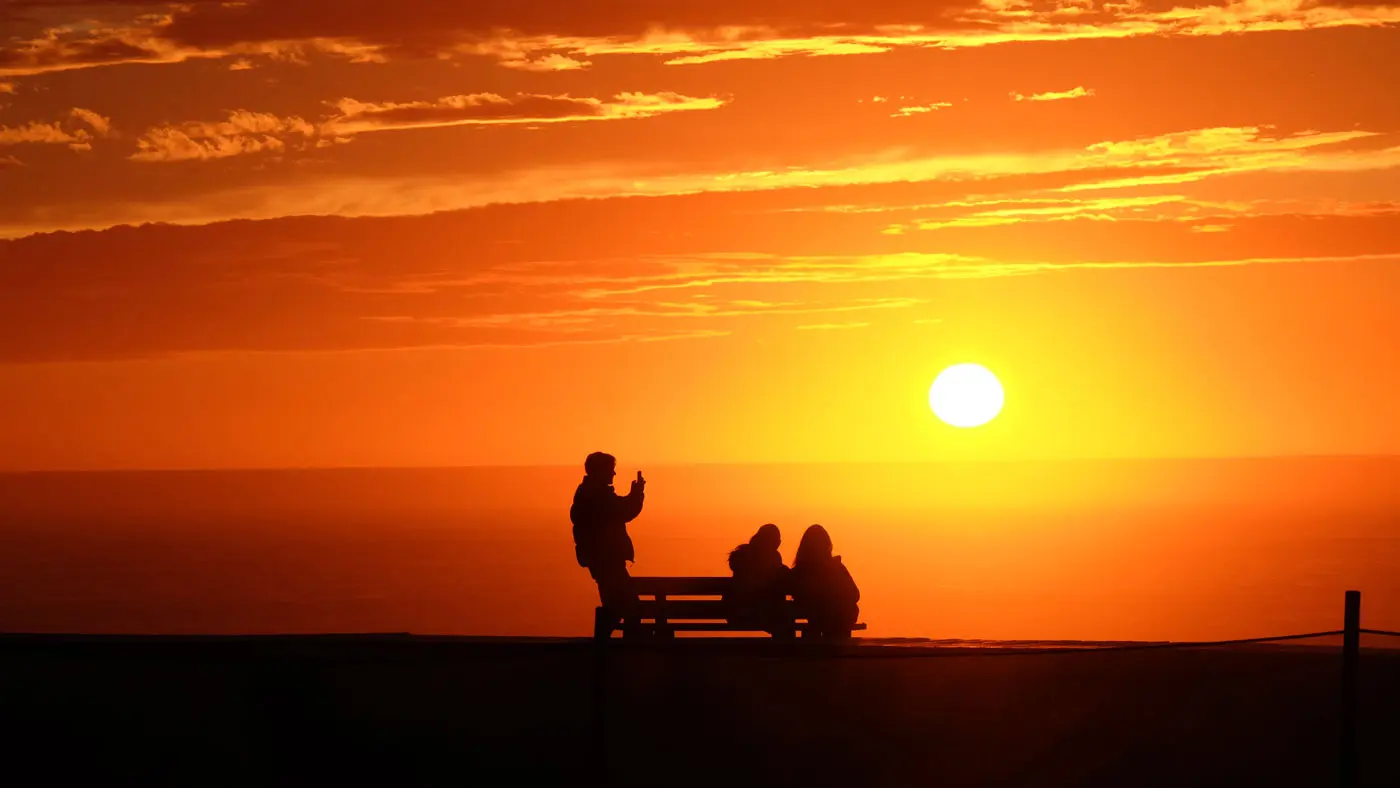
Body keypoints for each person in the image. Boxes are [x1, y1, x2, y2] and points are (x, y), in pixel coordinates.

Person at [570, 452, 645, 629]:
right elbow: (623, 511)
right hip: (607, 561)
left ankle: (610, 645)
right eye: (611, 470)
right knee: (627, 606)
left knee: (619, 606)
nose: (614, 474)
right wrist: (637, 495)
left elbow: (618, 509)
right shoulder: (597, 495)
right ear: (601, 471)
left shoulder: (589, 493)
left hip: (601, 561)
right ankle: (612, 649)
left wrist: (634, 495)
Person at [790, 524, 860, 640]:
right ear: (827, 545)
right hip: (837, 620)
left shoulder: (799, 571)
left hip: (818, 620)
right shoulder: (836, 567)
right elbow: (855, 594)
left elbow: (796, 595)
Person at [724, 524, 793, 637]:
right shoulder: (772, 557)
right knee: (786, 620)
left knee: (783, 618)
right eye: (777, 539)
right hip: (757, 614)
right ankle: (784, 652)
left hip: (735, 613)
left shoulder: (742, 556)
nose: (779, 542)